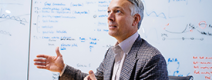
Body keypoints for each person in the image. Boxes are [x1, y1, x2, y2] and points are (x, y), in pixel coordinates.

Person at [34, 0, 168, 80]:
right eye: (108, 11)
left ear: (135, 19)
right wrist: (62, 69)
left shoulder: (152, 59)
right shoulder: (111, 53)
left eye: (117, 11)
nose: (109, 17)